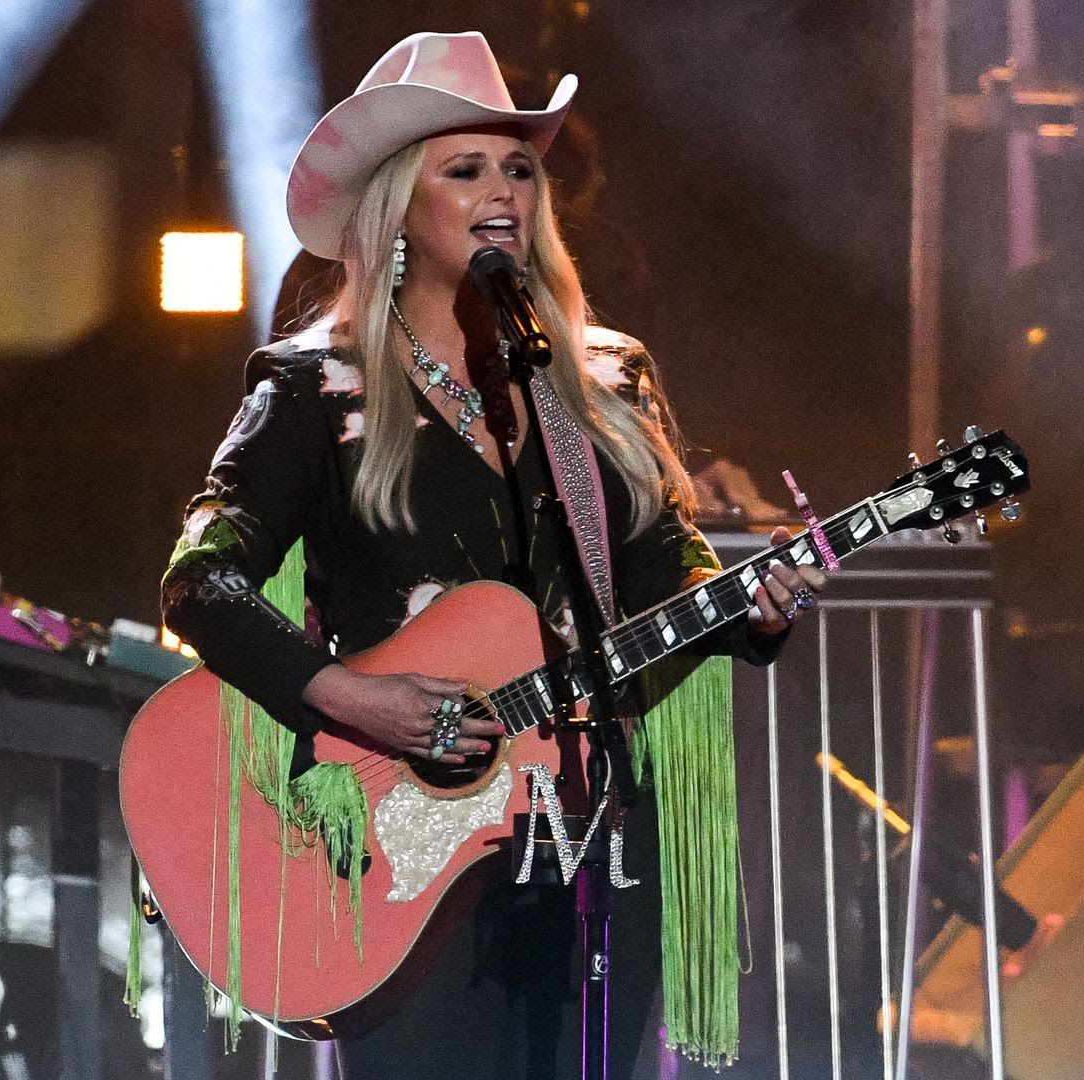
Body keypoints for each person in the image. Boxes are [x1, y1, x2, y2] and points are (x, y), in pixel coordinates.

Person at [158, 30, 827, 1079]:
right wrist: (346, 696)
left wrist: (753, 607)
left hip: (597, 839)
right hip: (394, 855)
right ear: (395, 205)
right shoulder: (313, 387)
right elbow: (202, 581)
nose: (502, 188)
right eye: (464, 168)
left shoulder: (604, 378)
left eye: (518, 166)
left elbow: (670, 571)